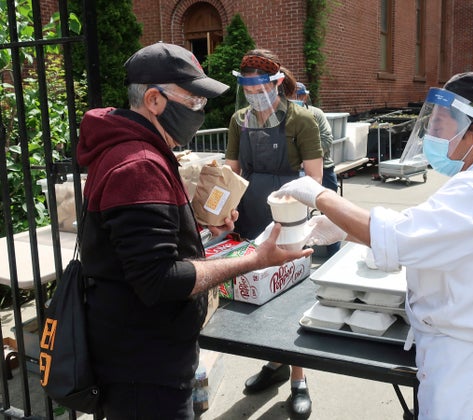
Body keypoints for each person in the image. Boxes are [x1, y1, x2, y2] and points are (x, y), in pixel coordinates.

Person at [274, 72, 473, 419]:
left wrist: (319, 195)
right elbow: (425, 233)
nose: (433, 135)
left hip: (471, 379)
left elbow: (397, 236)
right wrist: (342, 230)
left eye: (442, 125)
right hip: (467, 359)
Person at [76, 42, 312, 419]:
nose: (200, 110)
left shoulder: (134, 150)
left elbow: (141, 241)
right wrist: (254, 259)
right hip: (146, 366)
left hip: (138, 353)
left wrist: (201, 227)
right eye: (194, 100)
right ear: (154, 100)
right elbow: (160, 279)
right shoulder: (138, 164)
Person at [225, 49, 323, 419]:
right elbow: (231, 171)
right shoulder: (239, 120)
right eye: (246, 89)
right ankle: (274, 363)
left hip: (290, 214)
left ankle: (298, 376)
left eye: (258, 87)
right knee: (259, 289)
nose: (253, 95)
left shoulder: (302, 119)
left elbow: (314, 178)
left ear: (276, 83)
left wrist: (287, 201)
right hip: (250, 212)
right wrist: (222, 207)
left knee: (291, 296)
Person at [293, 81, 340, 257]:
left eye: (297, 96)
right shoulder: (286, 115)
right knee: (296, 214)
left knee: (330, 209)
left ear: (304, 96)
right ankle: (301, 251)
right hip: (294, 171)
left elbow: (327, 139)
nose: (293, 100)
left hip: (323, 168)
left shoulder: (316, 114)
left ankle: (333, 251)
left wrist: (306, 157)